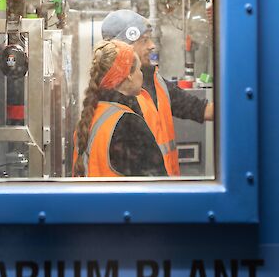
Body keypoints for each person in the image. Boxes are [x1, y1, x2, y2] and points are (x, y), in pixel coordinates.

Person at [101, 10, 214, 176]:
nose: (152, 45)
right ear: (125, 47)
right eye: (145, 40)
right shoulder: (115, 96)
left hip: (167, 188)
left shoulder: (156, 82)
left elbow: (202, 109)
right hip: (143, 194)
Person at [72, 40, 167, 177]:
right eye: (139, 69)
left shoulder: (92, 115)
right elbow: (156, 185)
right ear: (128, 75)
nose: (141, 74)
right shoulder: (128, 124)